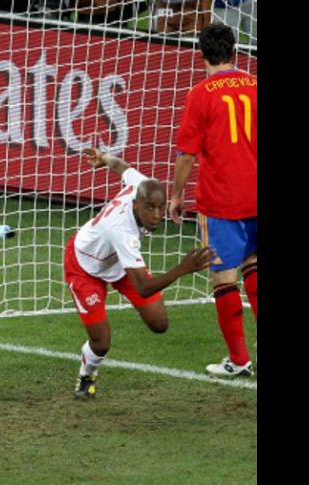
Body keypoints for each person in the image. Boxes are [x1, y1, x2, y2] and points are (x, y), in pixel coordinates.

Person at [65, 147, 214, 398]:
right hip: (85, 266)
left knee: (159, 324)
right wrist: (182, 268)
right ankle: (87, 374)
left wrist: (104, 160)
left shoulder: (142, 185)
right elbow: (144, 287)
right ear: (136, 204)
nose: (156, 216)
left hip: (118, 263)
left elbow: (122, 168)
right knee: (101, 343)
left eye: (160, 207)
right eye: (149, 208)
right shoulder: (121, 230)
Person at [169, 23, 257, 377]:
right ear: (235, 51)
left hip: (221, 200)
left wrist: (176, 196)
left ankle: (238, 361)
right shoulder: (255, 85)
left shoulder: (201, 94)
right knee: (254, 269)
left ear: (202, 54)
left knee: (224, 279)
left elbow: (187, 155)